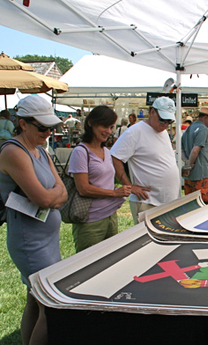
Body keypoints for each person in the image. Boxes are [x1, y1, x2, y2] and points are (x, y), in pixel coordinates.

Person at [0, 94, 67, 344]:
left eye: (50, 126)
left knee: (35, 298)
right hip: (30, 242)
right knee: (51, 306)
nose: (48, 132)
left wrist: (53, 196)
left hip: (45, 238)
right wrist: (54, 196)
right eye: (42, 127)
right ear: (23, 123)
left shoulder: (39, 150)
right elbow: (47, 199)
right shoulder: (14, 152)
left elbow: (61, 192)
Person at [68, 106, 131, 252]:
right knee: (88, 265)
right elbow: (83, 189)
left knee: (110, 261)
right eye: (104, 126)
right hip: (91, 221)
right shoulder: (80, 152)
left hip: (110, 216)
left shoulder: (106, 152)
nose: (109, 131)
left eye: (111, 127)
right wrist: (115, 193)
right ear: (91, 123)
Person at [111, 97, 180, 224]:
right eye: (162, 120)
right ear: (152, 112)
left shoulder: (163, 132)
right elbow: (115, 157)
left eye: (169, 122)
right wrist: (129, 186)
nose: (165, 125)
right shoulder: (134, 132)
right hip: (148, 202)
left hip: (167, 201)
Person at [181, 107, 208, 204]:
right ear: (205, 117)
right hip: (201, 174)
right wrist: (191, 163)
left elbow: (181, 150)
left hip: (189, 176)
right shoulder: (203, 129)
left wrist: (187, 164)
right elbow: (196, 150)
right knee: (204, 206)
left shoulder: (189, 128)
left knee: (190, 206)